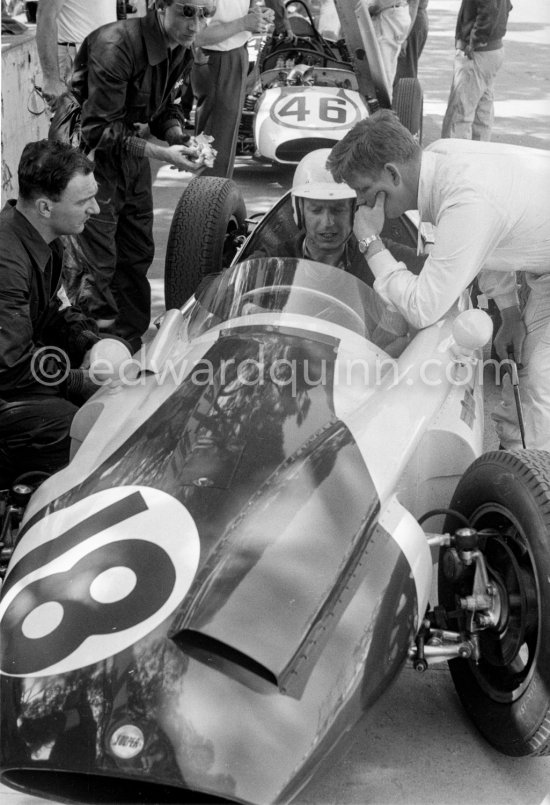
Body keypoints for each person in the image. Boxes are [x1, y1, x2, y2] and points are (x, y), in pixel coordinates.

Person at [326, 110, 550, 449]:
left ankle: (535, 488)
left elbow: (422, 308)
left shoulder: (465, 197)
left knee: (541, 385)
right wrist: (509, 311)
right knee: (524, 377)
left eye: (363, 190)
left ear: (392, 174)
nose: (361, 203)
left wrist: (371, 243)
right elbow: (485, 240)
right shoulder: (438, 158)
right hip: (541, 262)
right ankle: (518, 467)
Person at [67, 0, 210, 353]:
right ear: (161, 7)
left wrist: (179, 137)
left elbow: (166, 108)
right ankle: (92, 357)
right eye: (187, 12)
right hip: (90, 160)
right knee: (95, 266)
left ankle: (127, 346)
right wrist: (162, 153)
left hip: (129, 154)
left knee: (136, 253)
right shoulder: (116, 44)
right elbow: (98, 130)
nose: (196, 24)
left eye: (205, 14)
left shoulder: (181, 50)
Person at [252, 149, 425, 356]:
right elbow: (214, 287)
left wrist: (372, 239)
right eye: (316, 210)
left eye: (338, 210)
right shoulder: (277, 260)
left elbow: (441, 278)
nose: (328, 223)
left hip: (361, 374)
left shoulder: (381, 255)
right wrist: (254, 312)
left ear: (355, 211)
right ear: (299, 211)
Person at [0, 140, 103, 486]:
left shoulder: (45, 240)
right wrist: (78, 381)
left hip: (16, 378)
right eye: (84, 201)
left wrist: (90, 344)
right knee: (81, 428)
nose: (96, 209)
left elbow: (56, 311)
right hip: (6, 386)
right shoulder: (6, 260)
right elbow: (11, 366)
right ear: (45, 207)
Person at [191, 1, 273, 179]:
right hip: (217, 59)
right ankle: (206, 199)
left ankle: (212, 197)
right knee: (215, 143)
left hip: (234, 54)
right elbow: (197, 35)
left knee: (223, 143)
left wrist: (256, 15)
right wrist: (243, 23)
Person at [441, 0, 512, 141]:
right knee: (482, 114)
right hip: (492, 50)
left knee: (460, 114)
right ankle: (478, 157)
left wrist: (475, 41)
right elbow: (506, 7)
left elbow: (489, 10)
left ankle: (456, 160)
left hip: (478, 52)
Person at [36, 0, 117, 113]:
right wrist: (51, 80)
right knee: (74, 126)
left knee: (106, 124)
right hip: (78, 58)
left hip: (106, 57)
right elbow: (45, 15)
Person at [367, 0, 413, 99]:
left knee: (384, 70)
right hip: (389, 12)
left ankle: (384, 108)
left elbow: (379, 4)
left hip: (388, 13)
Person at [394, 0, 428, 85]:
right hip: (405, 19)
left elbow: (413, 3)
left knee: (404, 78)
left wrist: (404, 36)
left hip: (409, 20)